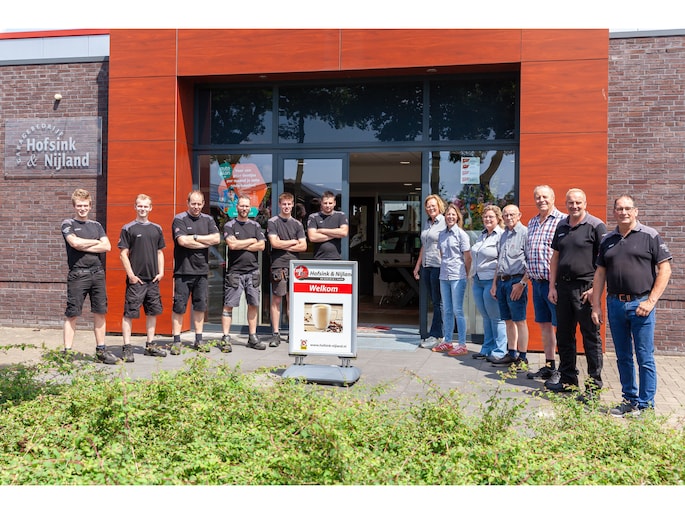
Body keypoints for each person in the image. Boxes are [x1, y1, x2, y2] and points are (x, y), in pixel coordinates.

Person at [591, 195, 672, 416]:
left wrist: (651, 301)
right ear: (614, 212)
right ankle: (629, 400)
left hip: (641, 305)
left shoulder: (650, 235)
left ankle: (646, 407)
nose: (624, 212)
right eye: (619, 209)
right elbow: (600, 273)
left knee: (644, 357)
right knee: (623, 356)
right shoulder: (607, 240)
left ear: (636, 211)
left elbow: (665, 270)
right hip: (615, 305)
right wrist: (596, 305)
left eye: (628, 208)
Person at [545, 188, 607, 399]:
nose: (574, 206)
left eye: (578, 202)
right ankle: (568, 381)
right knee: (564, 336)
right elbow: (555, 258)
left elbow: (605, 262)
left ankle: (593, 388)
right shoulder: (561, 226)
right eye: (570, 202)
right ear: (565, 204)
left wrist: (595, 290)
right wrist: (552, 287)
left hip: (585, 289)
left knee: (590, 337)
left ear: (585, 203)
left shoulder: (596, 226)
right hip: (563, 288)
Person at [61, 188, 117, 364]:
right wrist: (95, 242)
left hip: (97, 273)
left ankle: (101, 351)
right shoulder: (68, 223)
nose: (82, 209)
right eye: (79, 205)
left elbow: (107, 247)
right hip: (78, 274)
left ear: (90, 206)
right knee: (72, 313)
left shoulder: (96, 225)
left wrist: (85, 244)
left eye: (85, 205)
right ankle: (67, 353)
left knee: (100, 312)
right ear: (74, 206)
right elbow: (74, 243)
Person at [118, 194, 167, 361]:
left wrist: (161, 272)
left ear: (150, 208)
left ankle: (150, 346)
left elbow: (160, 252)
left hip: (153, 280)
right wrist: (131, 275)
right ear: (135, 207)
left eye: (146, 206)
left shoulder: (157, 229)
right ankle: (127, 348)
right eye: (140, 206)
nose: (143, 209)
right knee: (129, 313)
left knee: (152, 312)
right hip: (136, 281)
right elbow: (123, 254)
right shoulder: (128, 228)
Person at [171, 190, 221, 355]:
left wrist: (194, 238)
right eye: (193, 203)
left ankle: (199, 339)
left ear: (203, 203)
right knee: (179, 307)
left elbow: (216, 239)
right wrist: (204, 241)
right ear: (188, 203)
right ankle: (176, 341)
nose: (196, 207)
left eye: (199, 204)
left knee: (200, 306)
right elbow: (182, 241)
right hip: (183, 271)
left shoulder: (208, 220)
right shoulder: (179, 219)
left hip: (202, 272)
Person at [524, 185, 565, 380]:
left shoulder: (563, 221)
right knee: (545, 327)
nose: (541, 200)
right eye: (538, 197)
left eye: (545, 197)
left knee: (561, 328)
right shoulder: (532, 222)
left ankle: (564, 372)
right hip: (537, 283)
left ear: (553, 198)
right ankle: (550, 366)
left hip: (554, 285)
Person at [220, 194, 267, 352]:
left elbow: (261, 246)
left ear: (250, 208)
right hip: (235, 272)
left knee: (253, 304)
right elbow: (232, 245)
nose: (244, 208)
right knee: (228, 305)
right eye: (242, 205)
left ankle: (252, 337)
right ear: (237, 207)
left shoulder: (255, 226)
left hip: (253, 272)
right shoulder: (230, 225)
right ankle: (226, 338)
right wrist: (252, 240)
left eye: (247, 206)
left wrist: (242, 243)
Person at [488, 204, 529, 370]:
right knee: (508, 320)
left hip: (516, 282)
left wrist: (522, 283)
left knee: (520, 320)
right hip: (502, 282)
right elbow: (499, 262)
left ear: (519, 215)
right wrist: (494, 284)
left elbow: (531, 262)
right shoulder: (503, 235)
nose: (509, 217)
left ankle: (523, 358)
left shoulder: (525, 233)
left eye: (512, 214)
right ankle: (511, 354)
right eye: (506, 215)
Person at [431, 203, 472, 356]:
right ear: (445, 216)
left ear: (457, 217)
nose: (450, 217)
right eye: (448, 214)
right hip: (444, 276)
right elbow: (442, 255)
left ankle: (462, 344)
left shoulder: (462, 235)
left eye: (453, 214)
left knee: (457, 310)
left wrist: (465, 274)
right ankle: (447, 341)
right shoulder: (442, 234)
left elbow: (468, 258)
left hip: (457, 276)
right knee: (447, 310)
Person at [267, 192, 307, 347]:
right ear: (279, 204)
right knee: (277, 300)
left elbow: (303, 246)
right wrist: (293, 242)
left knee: (292, 300)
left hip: (295, 266)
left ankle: (293, 332)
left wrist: (283, 243)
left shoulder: (297, 224)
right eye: (284, 204)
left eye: (289, 204)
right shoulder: (273, 222)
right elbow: (274, 243)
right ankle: (275, 334)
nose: (286, 206)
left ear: (292, 205)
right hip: (278, 265)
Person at [469, 204, 507, 361]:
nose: (487, 219)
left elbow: (501, 261)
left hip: (491, 280)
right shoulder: (482, 235)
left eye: (491, 216)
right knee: (485, 316)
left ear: (498, 218)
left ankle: (500, 351)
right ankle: (486, 348)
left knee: (496, 317)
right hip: (478, 280)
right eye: (485, 217)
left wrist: (495, 283)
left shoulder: (501, 235)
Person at [413, 194, 447, 349]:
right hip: (427, 266)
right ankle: (440, 334)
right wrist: (418, 266)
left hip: (439, 266)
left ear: (439, 206)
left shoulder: (444, 222)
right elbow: (424, 246)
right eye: (428, 206)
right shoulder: (427, 223)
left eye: (433, 205)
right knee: (435, 301)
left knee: (438, 302)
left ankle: (437, 335)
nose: (431, 208)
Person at [306, 190, 349, 260]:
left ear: (334, 203)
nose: (328, 205)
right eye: (325, 203)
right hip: (318, 258)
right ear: (321, 203)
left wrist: (322, 230)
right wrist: (336, 235)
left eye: (330, 203)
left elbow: (344, 232)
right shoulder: (313, 217)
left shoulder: (341, 215)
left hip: (336, 258)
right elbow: (312, 237)